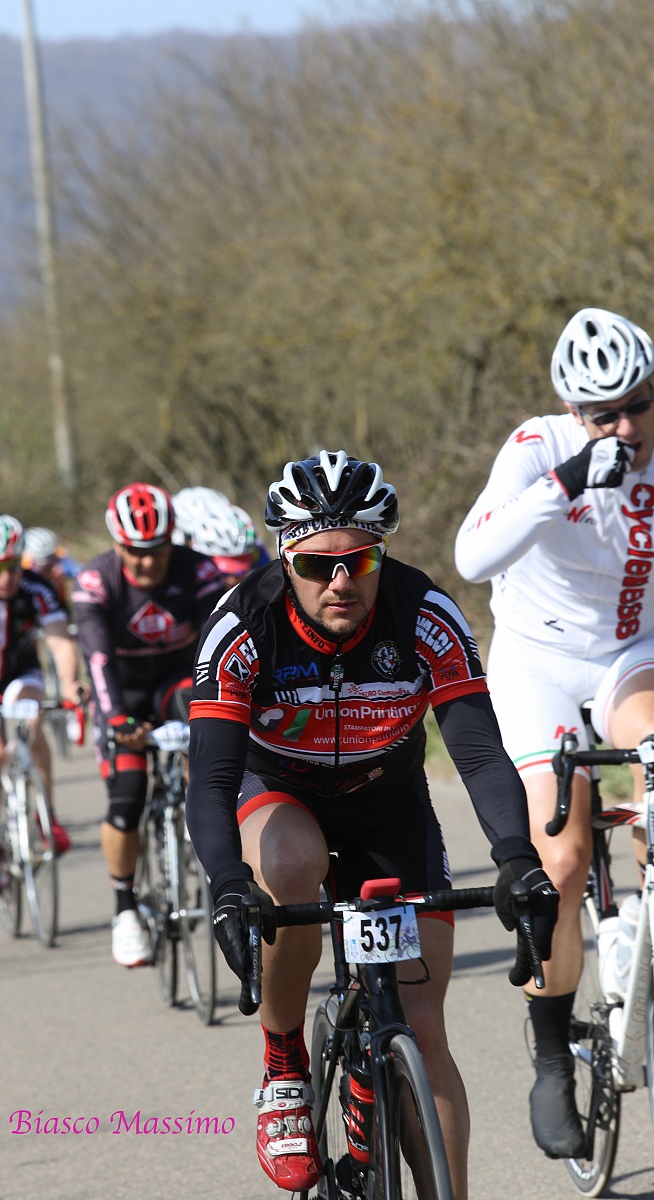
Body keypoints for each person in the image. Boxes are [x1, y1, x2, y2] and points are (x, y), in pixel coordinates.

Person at [186, 449, 558, 1197]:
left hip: (390, 803)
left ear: (380, 552)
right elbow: (214, 776)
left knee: (422, 1028)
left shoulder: (423, 613)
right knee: (292, 863)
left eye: (358, 560)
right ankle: (285, 1064)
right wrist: (229, 882)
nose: (339, 581)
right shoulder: (242, 625)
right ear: (284, 557)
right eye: (316, 564)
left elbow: (480, 755)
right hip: (278, 791)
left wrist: (518, 859)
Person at [454, 306, 654, 1159]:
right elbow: (471, 556)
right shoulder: (537, 447)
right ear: (572, 412)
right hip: (537, 657)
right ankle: (547, 1057)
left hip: (629, 652)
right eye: (601, 413)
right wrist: (569, 480)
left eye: (637, 404)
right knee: (561, 857)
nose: (623, 426)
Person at [72, 482, 228, 968]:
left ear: (172, 541)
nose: (146, 562)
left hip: (179, 680)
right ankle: (125, 909)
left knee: (212, 750)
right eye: (135, 552)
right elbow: (97, 659)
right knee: (128, 793)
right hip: (124, 691)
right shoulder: (98, 581)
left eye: (157, 550)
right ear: (117, 545)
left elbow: (217, 640)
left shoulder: (197, 568)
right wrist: (117, 720)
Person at [0, 515, 83, 900]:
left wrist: (72, 683)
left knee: (31, 719)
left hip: (22, 675)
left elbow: (60, 643)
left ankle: (45, 816)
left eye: (12, 567)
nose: (5, 577)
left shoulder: (39, 588)